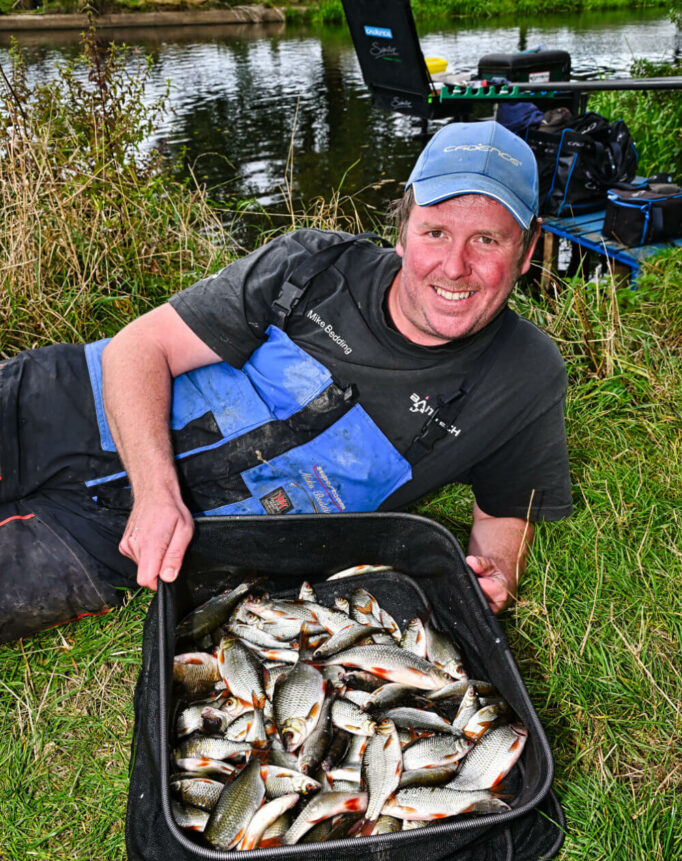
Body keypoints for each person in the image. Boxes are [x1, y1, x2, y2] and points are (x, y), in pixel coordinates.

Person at [0, 120, 572, 645]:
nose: (453, 266)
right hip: (64, 405)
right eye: (436, 232)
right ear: (402, 232)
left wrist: (494, 575)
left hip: (111, 542)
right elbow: (137, 349)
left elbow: (503, 513)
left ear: (526, 251)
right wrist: (156, 493)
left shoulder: (524, 376)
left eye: (488, 241)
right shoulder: (313, 266)